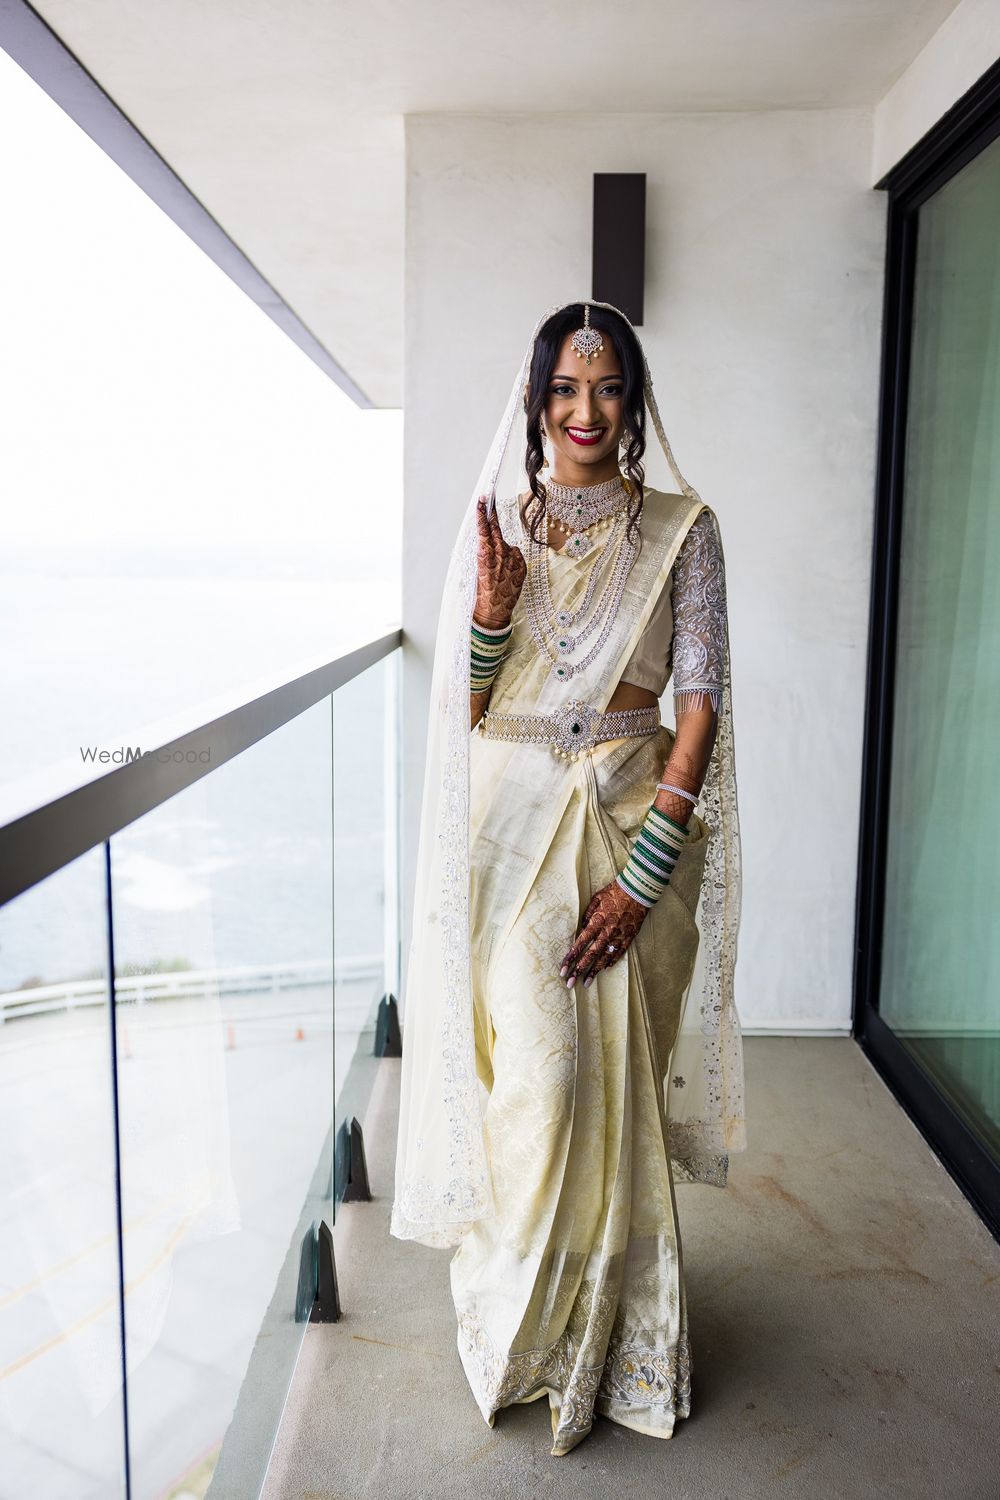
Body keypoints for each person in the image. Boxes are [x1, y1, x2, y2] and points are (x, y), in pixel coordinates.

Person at [390, 299, 745, 1457]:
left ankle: (605, 1338)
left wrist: (645, 878)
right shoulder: (498, 523)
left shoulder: (685, 531)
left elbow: (700, 710)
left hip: (634, 820)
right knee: (530, 1076)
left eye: (606, 390)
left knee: (605, 1080)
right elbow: (475, 710)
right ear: (537, 401)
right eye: (562, 391)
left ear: (632, 403)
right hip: (510, 828)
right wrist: (490, 620)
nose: (584, 412)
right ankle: (519, 1327)